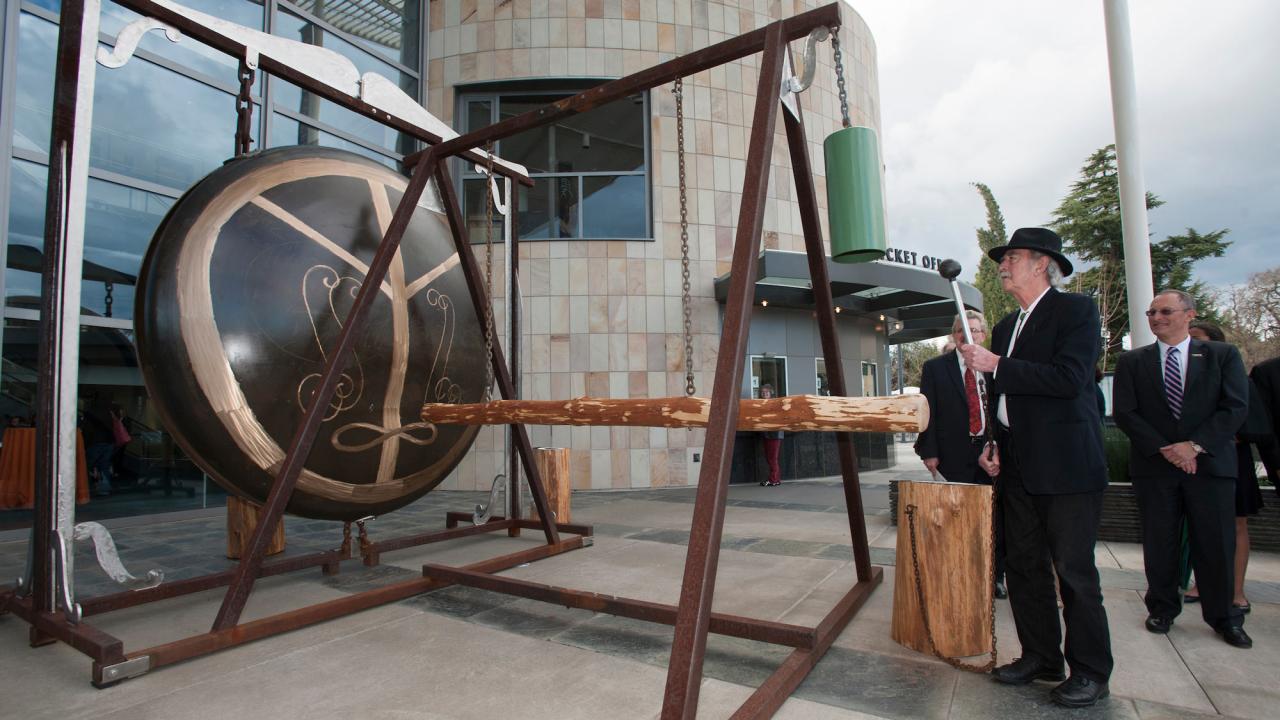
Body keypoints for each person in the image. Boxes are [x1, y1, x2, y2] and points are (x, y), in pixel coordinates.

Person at [958, 227, 1112, 708]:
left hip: (1067, 467)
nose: (1004, 265)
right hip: (1017, 463)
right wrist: (992, 442)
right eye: (1003, 259)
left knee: (1073, 570)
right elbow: (1004, 399)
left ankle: (1090, 670)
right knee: (1024, 566)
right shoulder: (1006, 326)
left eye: (1015, 257)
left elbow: (1069, 379)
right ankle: (1041, 656)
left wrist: (996, 364)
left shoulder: (1077, 312)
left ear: (1043, 263)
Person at [1112, 292, 1252, 649]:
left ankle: (1225, 617)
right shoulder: (1132, 362)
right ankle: (1161, 608)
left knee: (1215, 543)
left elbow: (1234, 406)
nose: (1157, 317)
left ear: (1189, 315)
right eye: (1152, 312)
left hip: (1209, 467)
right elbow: (1126, 412)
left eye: (1165, 311)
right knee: (1160, 543)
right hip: (1156, 468)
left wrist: (1194, 446)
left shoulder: (1223, 356)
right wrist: (1167, 449)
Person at [1181, 320, 1276, 615]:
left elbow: (1255, 424)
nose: (1192, 344)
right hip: (1189, 460)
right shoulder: (1177, 374)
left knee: (1235, 525)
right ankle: (1201, 584)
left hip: (1229, 460)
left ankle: (1236, 591)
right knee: (1199, 525)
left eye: (1198, 339)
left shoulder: (1235, 374)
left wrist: (1208, 437)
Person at [914, 309, 1006, 598]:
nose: (972, 336)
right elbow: (927, 412)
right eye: (964, 331)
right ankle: (958, 573)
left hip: (991, 454)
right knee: (956, 518)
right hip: (952, 454)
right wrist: (929, 452)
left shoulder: (995, 366)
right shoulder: (935, 368)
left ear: (984, 334)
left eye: (977, 331)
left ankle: (995, 576)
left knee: (993, 519)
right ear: (955, 335)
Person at [758, 384, 783, 487]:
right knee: (770, 458)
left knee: (772, 458)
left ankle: (774, 480)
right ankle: (775, 479)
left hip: (775, 434)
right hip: (767, 434)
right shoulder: (761, 404)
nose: (764, 395)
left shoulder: (775, 404)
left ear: (771, 394)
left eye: (766, 393)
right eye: (763, 393)